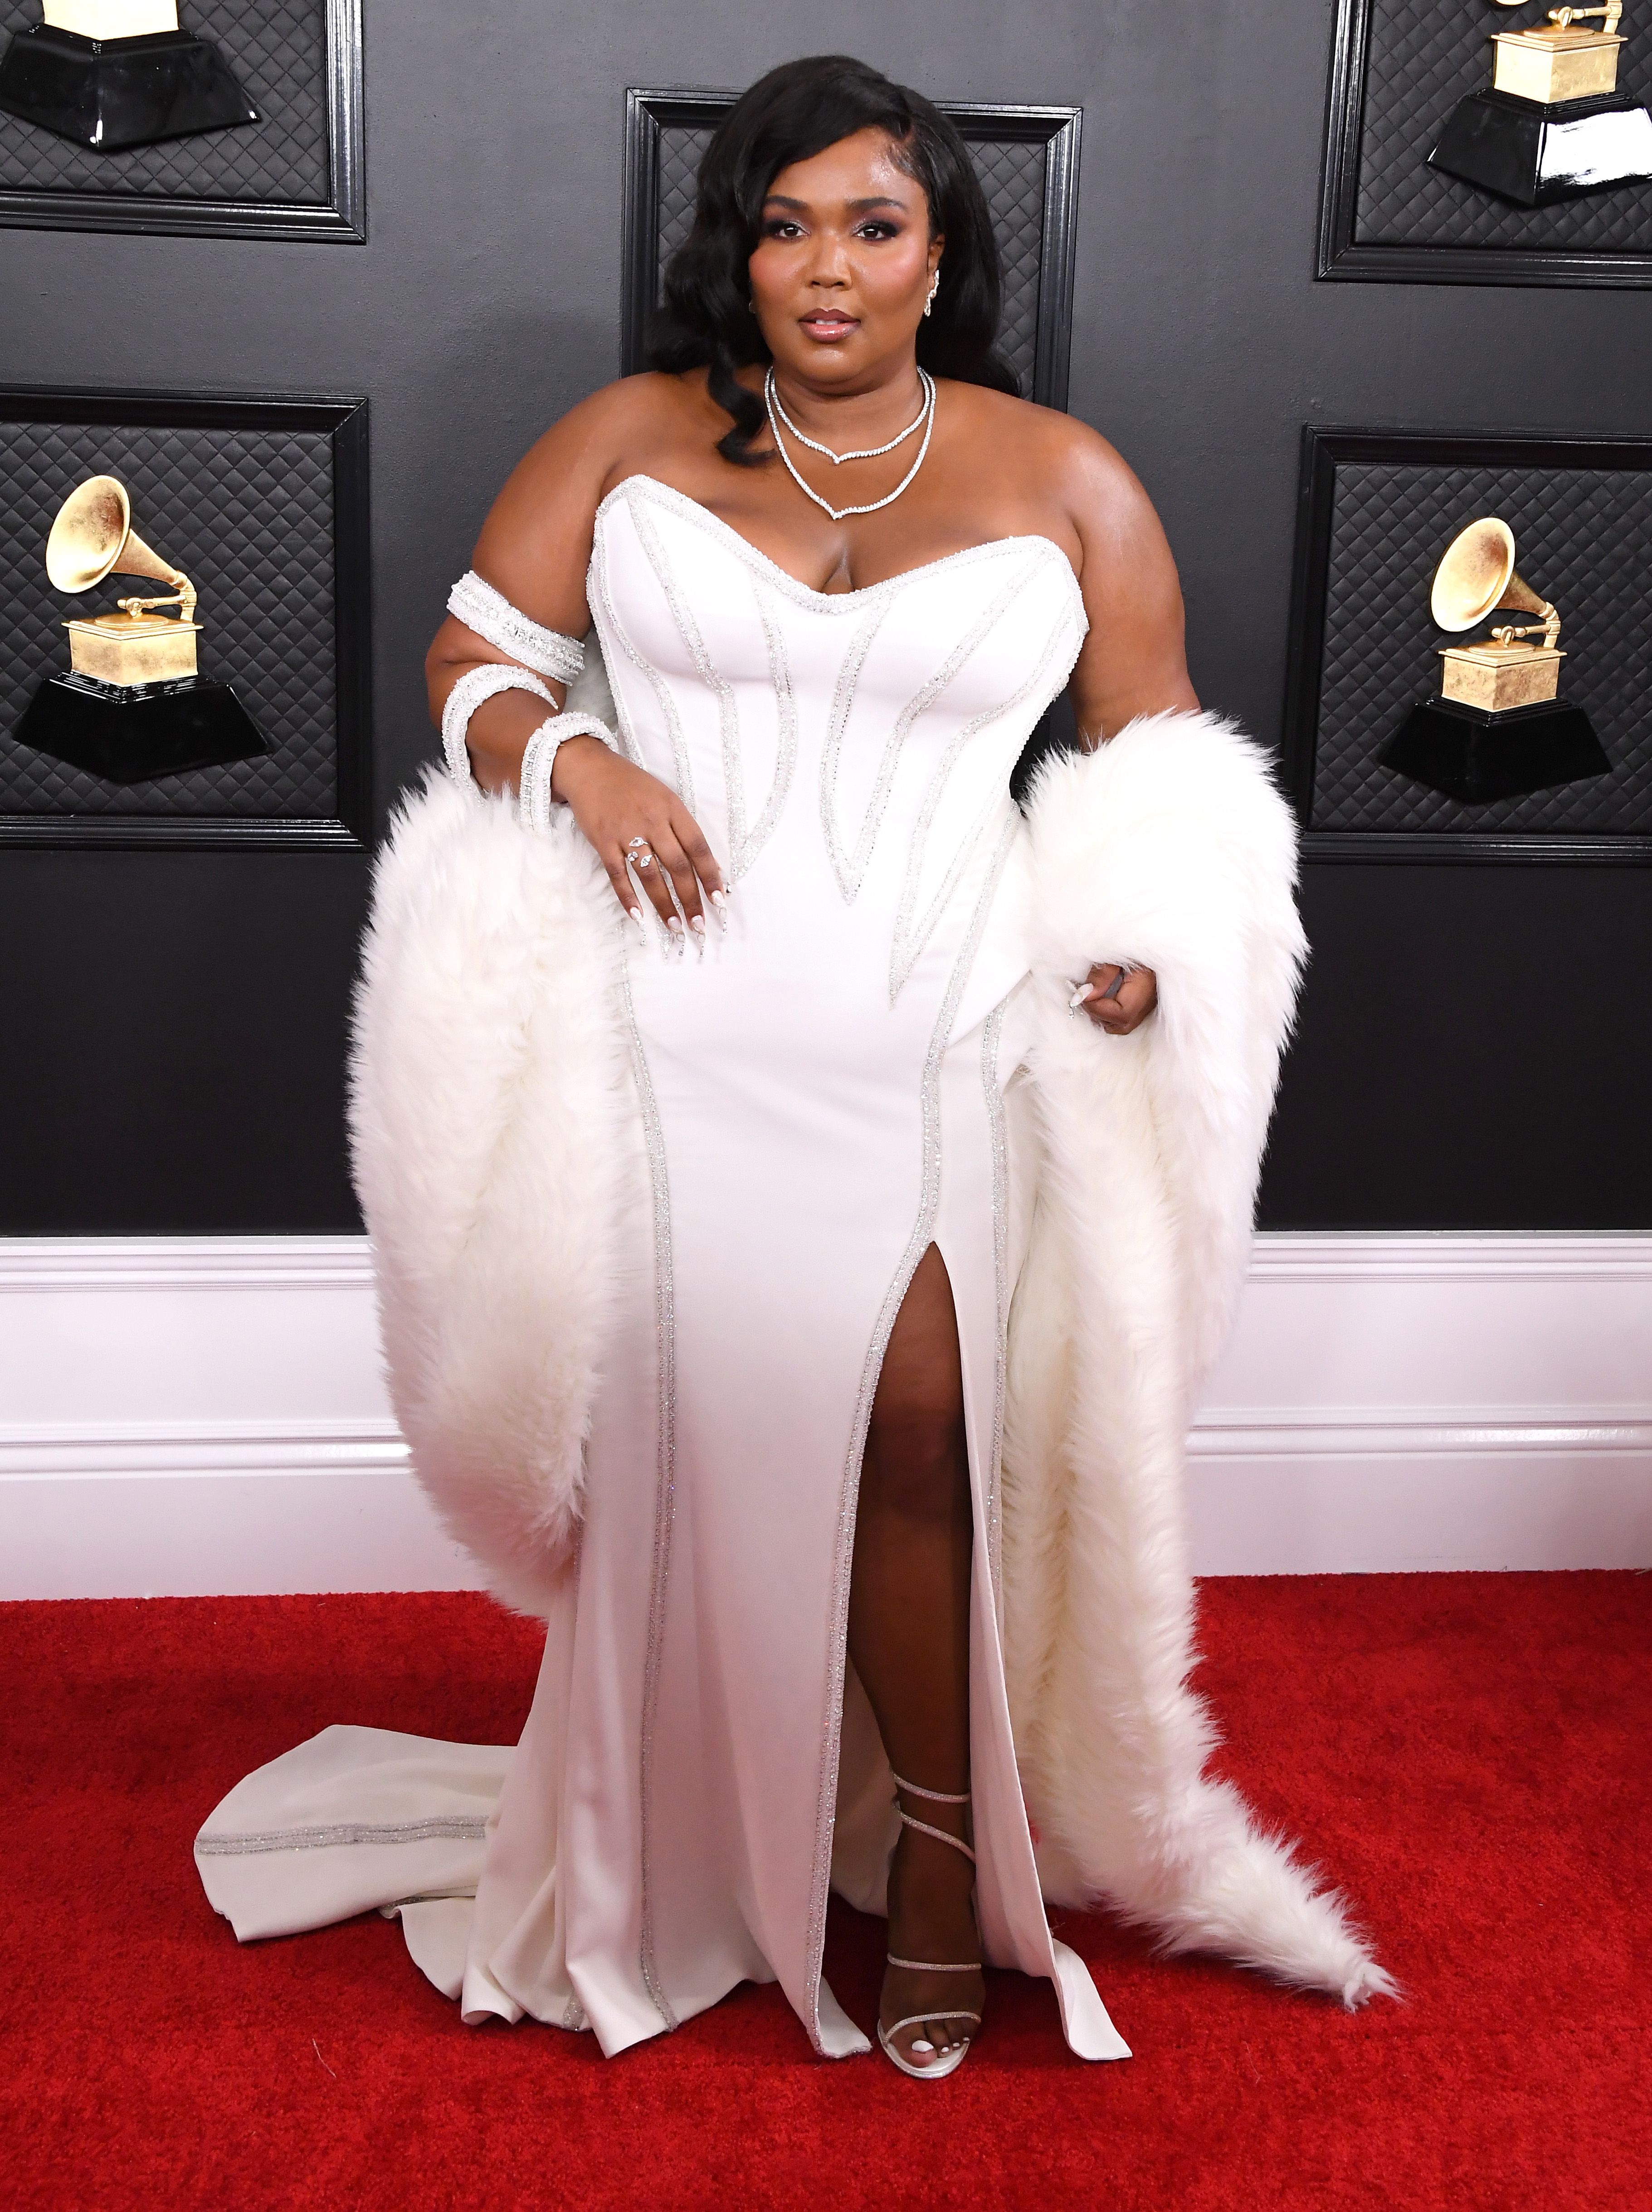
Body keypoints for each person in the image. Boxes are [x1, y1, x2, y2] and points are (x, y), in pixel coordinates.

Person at [195, 54, 1390, 2076]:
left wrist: (1140, 944)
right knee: (685, 1442)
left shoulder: (1062, 476)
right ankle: (663, 1835)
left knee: (915, 1440)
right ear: (729, 248)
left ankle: (933, 1855)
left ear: (941, 251)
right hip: (672, 1038)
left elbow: (1167, 767)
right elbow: (474, 658)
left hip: (931, 1027)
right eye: (780, 223)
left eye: (871, 223)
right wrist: (577, 755)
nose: (822, 268)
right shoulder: (633, 436)